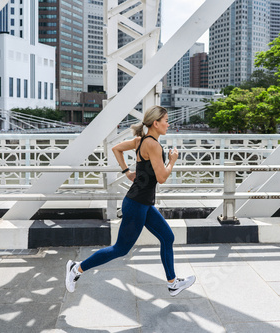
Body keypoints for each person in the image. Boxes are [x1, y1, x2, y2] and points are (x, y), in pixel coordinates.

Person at [65, 105, 196, 297]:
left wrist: (127, 172)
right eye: (166, 121)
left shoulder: (140, 140)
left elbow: (116, 149)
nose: (168, 124)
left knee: (167, 237)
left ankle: (172, 283)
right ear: (156, 123)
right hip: (136, 205)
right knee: (120, 249)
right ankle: (76, 269)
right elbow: (161, 177)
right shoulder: (153, 145)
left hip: (143, 204)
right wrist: (172, 161)